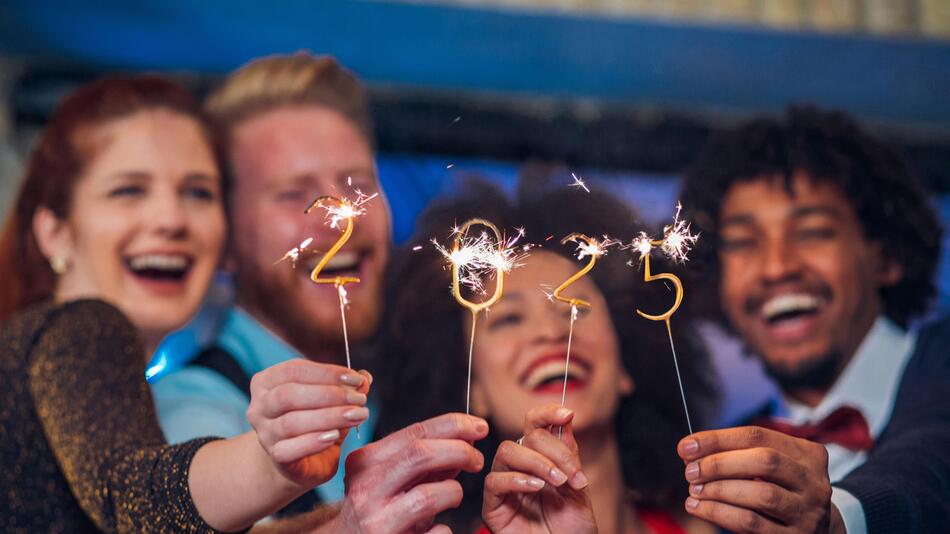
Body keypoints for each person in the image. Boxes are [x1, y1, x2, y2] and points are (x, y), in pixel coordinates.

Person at [0, 75, 376, 532]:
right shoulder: (81, 326)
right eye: (129, 190)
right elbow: (132, 494)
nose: (172, 219)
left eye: (198, 192)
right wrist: (270, 459)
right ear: (54, 231)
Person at [150, 52, 491, 529]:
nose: (341, 218)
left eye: (359, 184)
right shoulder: (193, 408)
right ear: (222, 238)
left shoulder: (412, 380)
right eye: (294, 194)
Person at [377, 177, 719, 533]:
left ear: (625, 364)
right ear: (473, 389)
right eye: (509, 318)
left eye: (575, 308)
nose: (551, 332)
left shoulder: (703, 525)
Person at [677, 105, 950, 533]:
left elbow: (933, 464)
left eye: (812, 232)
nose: (775, 267)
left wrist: (838, 518)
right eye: (744, 242)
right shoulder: (717, 468)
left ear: (886, 256)